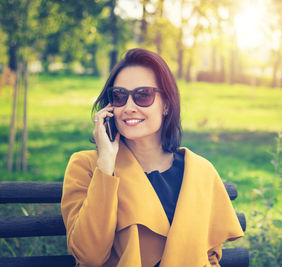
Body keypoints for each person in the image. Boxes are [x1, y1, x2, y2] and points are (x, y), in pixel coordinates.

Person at [61, 48, 244, 267]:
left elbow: (209, 255)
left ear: (166, 104)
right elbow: (89, 256)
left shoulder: (200, 170)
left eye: (143, 95)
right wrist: (106, 165)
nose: (129, 107)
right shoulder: (87, 166)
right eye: (119, 96)